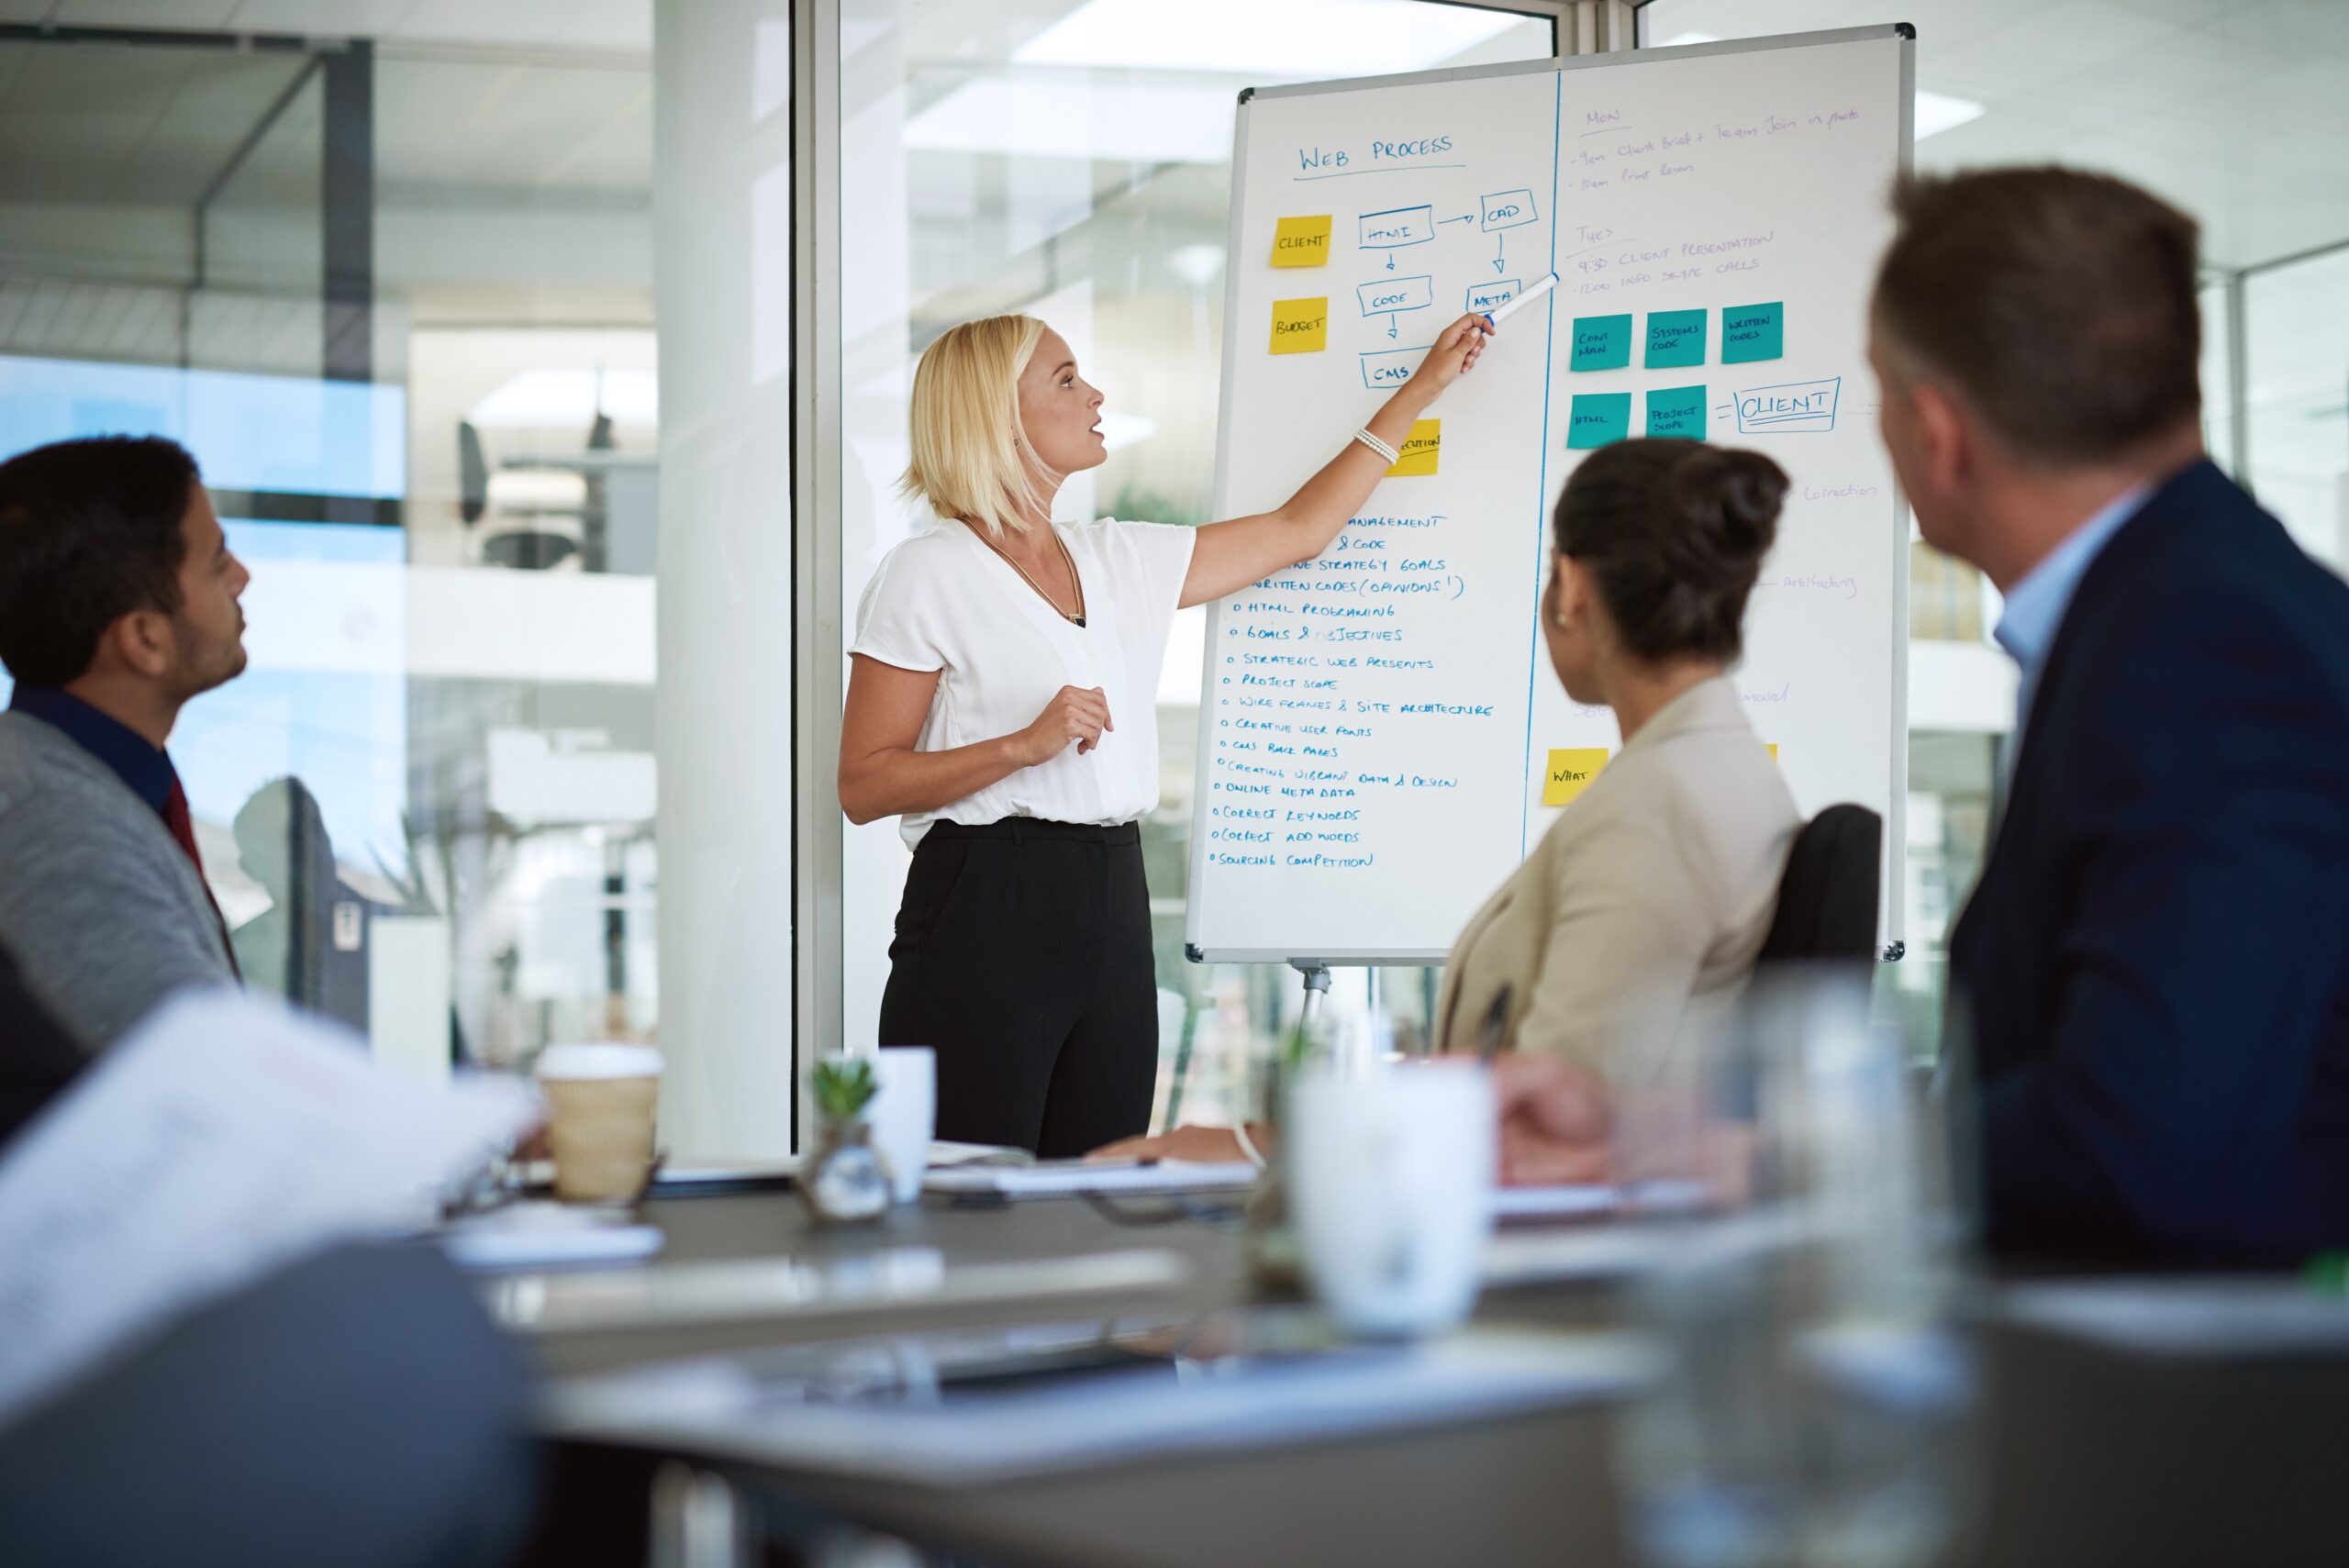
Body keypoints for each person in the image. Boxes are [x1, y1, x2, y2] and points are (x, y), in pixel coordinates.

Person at [841, 310, 1491, 1156]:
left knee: (1102, 1182)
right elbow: (864, 784)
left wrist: (1424, 389)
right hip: (984, 902)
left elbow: (1301, 531)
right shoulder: (926, 573)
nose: (1095, 394)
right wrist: (1018, 747)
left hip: (1113, 894)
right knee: (970, 1198)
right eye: (1067, 380)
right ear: (998, 415)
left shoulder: (1120, 558)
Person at [1869, 167, 2349, 1264]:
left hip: (2200, 1412)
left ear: (1938, 432)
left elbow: (2135, 1144)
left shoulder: (2210, 647)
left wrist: (1775, 1151)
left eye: (1879, 395)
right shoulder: (2175, 604)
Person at [1100, 439, 1801, 1174]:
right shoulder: (1710, 770)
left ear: (1571, 588)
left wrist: (1251, 1147)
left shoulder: (1661, 808)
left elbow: (1540, 1128)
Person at [0, 435, 247, 1052]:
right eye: (217, 562)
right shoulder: (50, 818)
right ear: (144, 639)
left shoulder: (94, 785)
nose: (242, 576)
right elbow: (202, 1079)